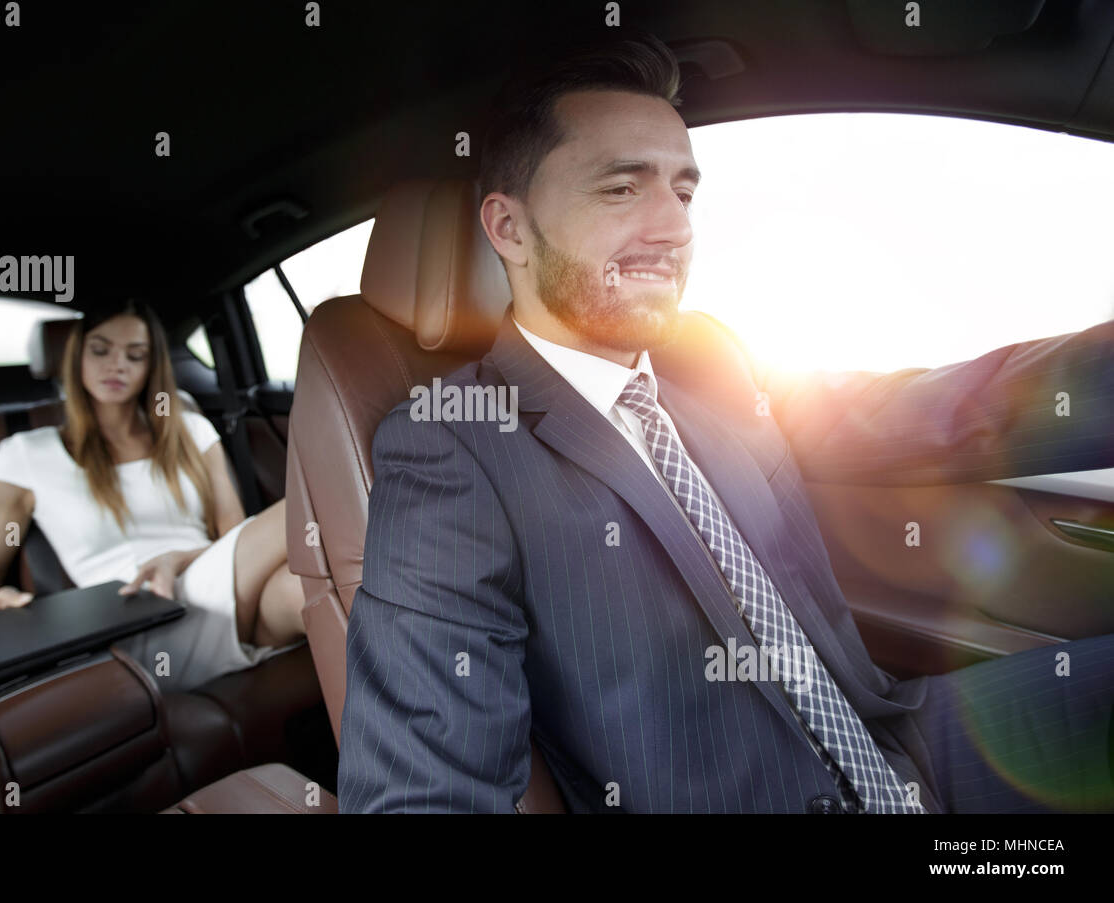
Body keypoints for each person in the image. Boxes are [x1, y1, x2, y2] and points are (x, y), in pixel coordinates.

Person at [336, 33, 1114, 812]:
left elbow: (955, 412)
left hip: (902, 750)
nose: (672, 229)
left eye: (683, 191)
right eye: (621, 189)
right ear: (508, 229)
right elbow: (427, 793)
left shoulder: (710, 359)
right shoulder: (450, 448)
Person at [0, 298, 307, 692]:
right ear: (76, 358)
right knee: (314, 506)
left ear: (151, 366)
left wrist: (177, 558)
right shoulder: (24, 455)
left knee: (306, 591)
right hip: (136, 621)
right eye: (101, 350)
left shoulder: (192, 431)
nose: (117, 365)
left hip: (219, 587)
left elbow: (235, 534)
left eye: (135, 355)